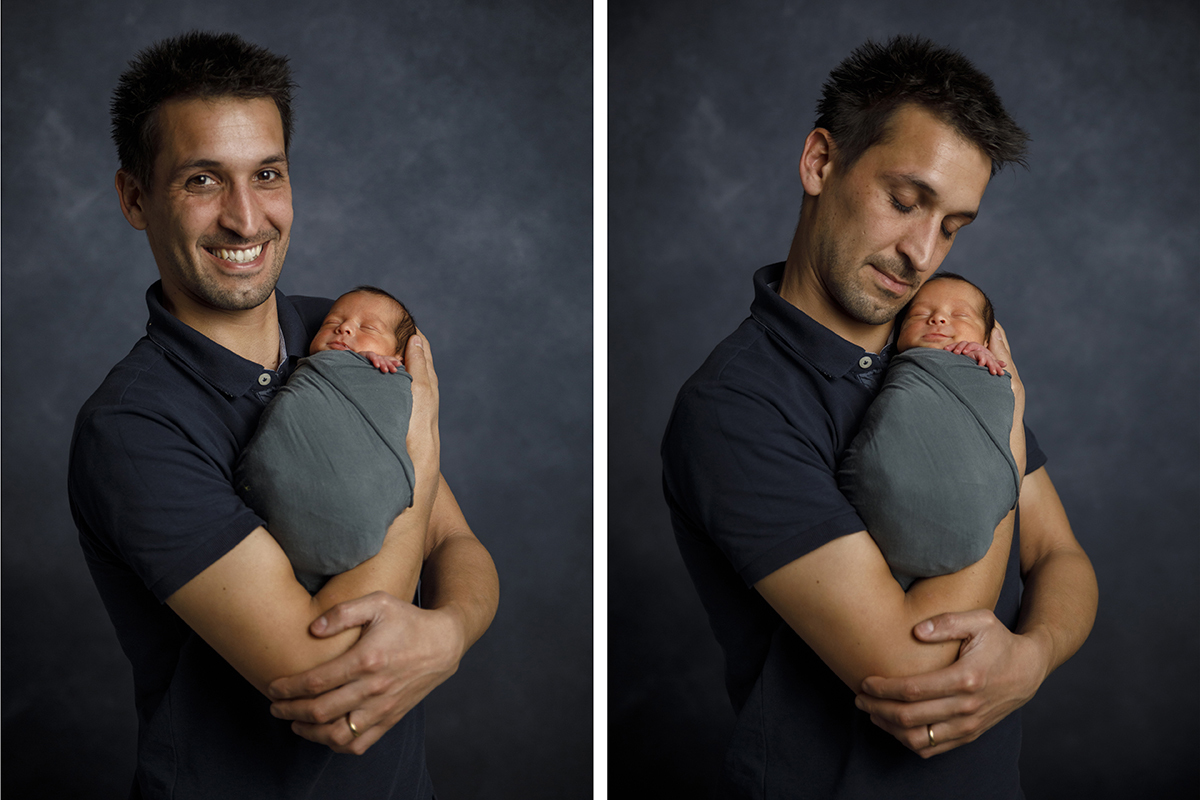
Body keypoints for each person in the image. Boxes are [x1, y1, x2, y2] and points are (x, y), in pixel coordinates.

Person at [660, 35, 1096, 798]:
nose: (923, 253)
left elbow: (1062, 556)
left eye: (954, 226)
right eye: (905, 200)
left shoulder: (940, 347)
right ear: (821, 163)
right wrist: (992, 418)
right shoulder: (735, 406)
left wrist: (1032, 658)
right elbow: (918, 675)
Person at [68, 31, 498, 798]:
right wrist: (419, 455)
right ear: (136, 198)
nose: (246, 218)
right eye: (203, 180)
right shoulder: (133, 429)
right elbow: (335, 684)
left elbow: (458, 540)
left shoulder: (339, 328)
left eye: (266, 173)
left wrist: (451, 633)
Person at [838, 273, 1025, 590]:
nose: (937, 318)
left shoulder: (983, 366)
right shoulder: (886, 368)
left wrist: (986, 364)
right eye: (919, 314)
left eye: (960, 315)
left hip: (970, 514)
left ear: (988, 338)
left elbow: (997, 391)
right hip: (879, 521)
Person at [236, 286, 422, 593]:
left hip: (363, 512)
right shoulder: (307, 359)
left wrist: (376, 367)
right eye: (331, 322)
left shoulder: (389, 376)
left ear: (399, 356)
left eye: (368, 328)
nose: (344, 327)